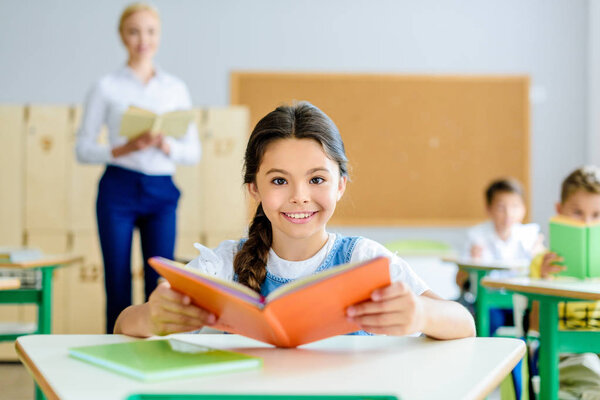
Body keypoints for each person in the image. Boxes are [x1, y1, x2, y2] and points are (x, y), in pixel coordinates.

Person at [113, 102, 475, 340]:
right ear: (254, 187)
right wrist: (150, 318)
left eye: (317, 179)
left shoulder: (366, 261)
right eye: (279, 180)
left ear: (340, 186)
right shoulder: (220, 266)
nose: (300, 196)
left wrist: (422, 314)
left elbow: (464, 323)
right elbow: (123, 325)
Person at [75, 3, 200, 333]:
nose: (142, 39)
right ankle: (114, 358)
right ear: (122, 36)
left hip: (162, 191)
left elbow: (193, 151)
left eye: (150, 31)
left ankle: (157, 353)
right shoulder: (106, 86)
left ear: (159, 36)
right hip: (118, 188)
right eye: (134, 31)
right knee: (116, 279)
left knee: (161, 283)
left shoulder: (175, 88)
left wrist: (164, 144)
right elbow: (83, 148)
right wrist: (126, 147)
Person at [528, 166, 600, 398]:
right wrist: (544, 282)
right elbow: (535, 328)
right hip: (563, 352)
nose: (587, 222)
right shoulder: (543, 264)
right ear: (559, 211)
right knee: (589, 371)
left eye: (596, 215)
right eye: (577, 212)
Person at [456, 178, 543, 334]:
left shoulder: (530, 235)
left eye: (515, 206)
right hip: (489, 303)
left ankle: (528, 357)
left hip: (522, 301)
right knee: (485, 321)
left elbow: (542, 272)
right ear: (489, 209)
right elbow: (459, 281)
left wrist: (539, 256)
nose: (508, 213)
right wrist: (471, 264)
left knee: (537, 321)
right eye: (501, 207)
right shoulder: (477, 236)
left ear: (523, 209)